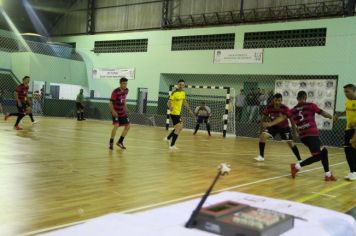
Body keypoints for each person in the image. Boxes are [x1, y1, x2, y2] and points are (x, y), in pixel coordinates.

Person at [263, 91, 336, 181]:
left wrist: (271, 123)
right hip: (311, 135)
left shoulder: (292, 110)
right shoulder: (311, 105)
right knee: (318, 156)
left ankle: (328, 175)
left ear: (297, 99)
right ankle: (297, 166)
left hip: (304, 137)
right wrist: (331, 117)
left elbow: (281, 118)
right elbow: (323, 113)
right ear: (305, 97)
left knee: (324, 152)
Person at [255, 93, 302, 162]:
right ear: (273, 100)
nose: (277, 102)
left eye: (279, 100)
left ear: (281, 100)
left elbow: (292, 120)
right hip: (273, 126)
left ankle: (299, 159)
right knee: (263, 136)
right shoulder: (269, 107)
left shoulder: (285, 108)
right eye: (276, 100)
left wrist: (295, 132)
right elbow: (263, 119)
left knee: (290, 143)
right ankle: (261, 156)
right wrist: (261, 130)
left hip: (284, 127)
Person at [164, 79, 194, 150]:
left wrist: (189, 109)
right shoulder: (174, 93)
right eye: (180, 84)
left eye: (183, 85)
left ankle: (168, 138)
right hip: (174, 113)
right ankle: (172, 145)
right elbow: (168, 102)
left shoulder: (183, 92)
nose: (181, 86)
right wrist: (170, 107)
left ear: (184, 86)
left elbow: (184, 101)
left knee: (180, 128)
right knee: (178, 128)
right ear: (177, 85)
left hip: (178, 113)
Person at [336, 84, 356, 181]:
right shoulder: (348, 101)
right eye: (344, 92)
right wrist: (339, 115)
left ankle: (354, 172)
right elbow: (347, 111)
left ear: (354, 91)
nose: (345, 94)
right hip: (348, 129)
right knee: (348, 151)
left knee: (351, 151)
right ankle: (353, 172)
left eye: (347, 91)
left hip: (355, 130)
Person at [109, 77, 131, 150]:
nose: (125, 85)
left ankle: (120, 142)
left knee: (128, 126)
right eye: (124, 83)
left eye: (126, 83)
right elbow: (110, 103)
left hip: (122, 112)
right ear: (120, 83)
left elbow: (124, 100)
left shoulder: (126, 91)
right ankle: (111, 142)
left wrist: (126, 108)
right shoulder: (115, 91)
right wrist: (113, 111)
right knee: (116, 125)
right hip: (116, 112)